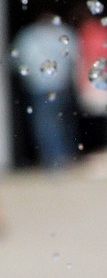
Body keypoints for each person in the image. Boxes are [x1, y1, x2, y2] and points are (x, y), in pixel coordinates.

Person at [9, 11, 78, 168]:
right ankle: (63, 157)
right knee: (60, 122)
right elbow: (75, 57)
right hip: (58, 85)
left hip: (41, 87)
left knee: (46, 124)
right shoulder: (63, 33)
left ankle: (55, 159)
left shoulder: (30, 36)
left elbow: (19, 60)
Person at [72, 3, 107, 155]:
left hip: (95, 83)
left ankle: (99, 152)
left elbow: (86, 58)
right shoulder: (106, 31)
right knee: (104, 120)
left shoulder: (87, 32)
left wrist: (83, 82)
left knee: (96, 121)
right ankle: (104, 152)